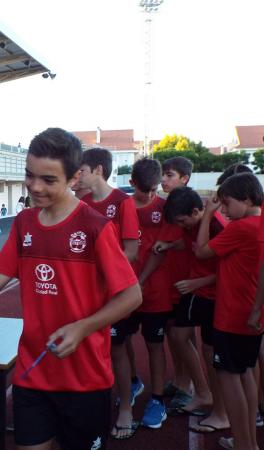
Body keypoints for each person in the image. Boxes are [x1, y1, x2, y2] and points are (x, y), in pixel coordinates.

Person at [0, 127, 141, 450]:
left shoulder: (95, 227)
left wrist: (82, 328)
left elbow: (132, 295)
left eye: (48, 180)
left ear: (74, 178)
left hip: (85, 380)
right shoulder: (24, 223)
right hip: (33, 375)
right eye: (30, 175)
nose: (34, 186)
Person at [195, 173, 263, 450]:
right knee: (245, 373)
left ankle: (245, 445)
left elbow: (200, 252)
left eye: (226, 203)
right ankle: (247, 443)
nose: (223, 209)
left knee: (229, 378)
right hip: (250, 313)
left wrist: (208, 215)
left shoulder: (242, 228)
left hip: (232, 314)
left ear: (246, 199)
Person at [75, 147, 140, 437]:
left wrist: (99, 269)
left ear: (98, 170)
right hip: (86, 292)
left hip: (113, 291)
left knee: (116, 349)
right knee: (90, 347)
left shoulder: (122, 203)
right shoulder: (81, 203)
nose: (78, 176)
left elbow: (131, 251)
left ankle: (125, 406)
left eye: (83, 171)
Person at [162, 187, 229, 433]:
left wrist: (197, 282)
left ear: (196, 211)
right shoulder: (192, 225)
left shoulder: (218, 226)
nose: (181, 226)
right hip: (198, 292)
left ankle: (221, 411)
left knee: (214, 355)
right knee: (179, 335)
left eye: (182, 221)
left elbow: (229, 269)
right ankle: (203, 392)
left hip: (214, 295)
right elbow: (190, 243)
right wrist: (169, 245)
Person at [126, 158, 170, 433]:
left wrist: (140, 280)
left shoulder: (163, 208)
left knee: (155, 345)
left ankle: (157, 399)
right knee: (121, 340)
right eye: (146, 191)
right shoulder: (122, 207)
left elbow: (161, 250)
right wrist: (130, 282)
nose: (152, 196)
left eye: (155, 190)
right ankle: (131, 381)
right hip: (125, 290)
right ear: (132, 184)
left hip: (155, 290)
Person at [152, 156, 196, 410]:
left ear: (184, 178)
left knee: (185, 337)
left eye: (169, 175)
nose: (163, 180)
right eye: (163, 175)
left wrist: (168, 245)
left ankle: (190, 387)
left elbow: (189, 244)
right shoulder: (169, 205)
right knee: (172, 334)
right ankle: (180, 381)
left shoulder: (189, 208)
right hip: (171, 281)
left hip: (187, 282)